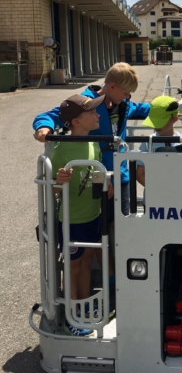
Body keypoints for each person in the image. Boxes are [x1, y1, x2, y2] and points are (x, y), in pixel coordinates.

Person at [33, 62, 151, 221]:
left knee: (121, 223)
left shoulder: (123, 104)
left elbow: (143, 109)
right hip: (93, 176)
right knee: (95, 222)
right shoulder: (86, 103)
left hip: (120, 175)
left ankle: (115, 246)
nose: (127, 97)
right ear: (113, 86)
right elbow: (51, 115)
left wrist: (169, 108)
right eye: (125, 93)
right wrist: (44, 127)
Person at [51, 94, 114, 336]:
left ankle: (85, 307)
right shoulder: (61, 147)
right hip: (72, 219)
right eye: (92, 113)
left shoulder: (93, 142)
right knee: (73, 267)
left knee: (88, 261)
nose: (98, 115)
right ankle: (72, 317)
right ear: (76, 121)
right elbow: (52, 187)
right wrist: (58, 180)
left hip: (92, 214)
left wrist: (105, 184)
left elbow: (95, 172)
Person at [136, 95, 182, 192]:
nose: (156, 126)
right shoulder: (147, 143)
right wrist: (158, 191)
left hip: (179, 198)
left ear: (174, 119)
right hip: (153, 199)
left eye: (160, 121)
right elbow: (140, 174)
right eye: (154, 121)